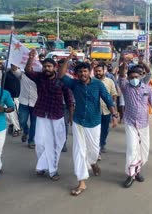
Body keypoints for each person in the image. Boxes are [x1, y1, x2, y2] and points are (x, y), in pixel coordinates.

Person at [59, 54, 118, 196]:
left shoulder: (98, 84)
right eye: (79, 72)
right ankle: (81, 182)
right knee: (78, 151)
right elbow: (61, 75)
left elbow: (108, 99)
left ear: (89, 72)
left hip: (94, 122)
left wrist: (114, 115)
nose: (82, 74)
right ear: (76, 74)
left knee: (93, 151)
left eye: (85, 71)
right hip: (79, 121)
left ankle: (93, 163)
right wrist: (68, 59)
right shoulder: (74, 84)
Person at [24, 50, 74, 181]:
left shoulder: (61, 80)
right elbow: (28, 71)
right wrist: (30, 58)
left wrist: (71, 115)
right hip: (41, 113)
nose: (46, 68)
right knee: (40, 142)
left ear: (55, 68)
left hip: (57, 114)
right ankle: (43, 165)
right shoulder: (39, 77)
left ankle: (53, 170)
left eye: (49, 66)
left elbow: (69, 99)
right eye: (45, 66)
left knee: (56, 143)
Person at [118, 65, 152, 188]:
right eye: (131, 77)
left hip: (144, 124)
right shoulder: (125, 87)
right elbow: (121, 75)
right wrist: (124, 63)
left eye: (136, 77)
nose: (134, 79)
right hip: (130, 123)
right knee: (132, 149)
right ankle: (130, 175)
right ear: (128, 78)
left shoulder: (147, 89)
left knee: (144, 150)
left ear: (140, 77)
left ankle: (137, 171)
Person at [10, 64, 38, 149]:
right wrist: (14, 56)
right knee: (21, 121)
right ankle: (26, 131)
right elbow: (14, 69)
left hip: (36, 102)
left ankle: (31, 140)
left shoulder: (39, 76)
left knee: (34, 123)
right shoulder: (22, 74)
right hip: (23, 102)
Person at [94, 64, 117, 156]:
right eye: (96, 71)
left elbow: (114, 93)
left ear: (104, 71)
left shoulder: (110, 81)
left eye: (99, 71)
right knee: (96, 130)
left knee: (104, 129)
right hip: (95, 111)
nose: (98, 73)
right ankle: (97, 146)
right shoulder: (91, 81)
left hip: (107, 110)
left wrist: (113, 104)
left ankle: (102, 143)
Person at [2, 67, 21, 137]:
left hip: (16, 97)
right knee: (7, 114)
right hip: (8, 97)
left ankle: (17, 129)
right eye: (13, 65)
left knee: (13, 114)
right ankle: (12, 124)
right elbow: (3, 86)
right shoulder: (6, 74)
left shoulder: (19, 74)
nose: (14, 66)